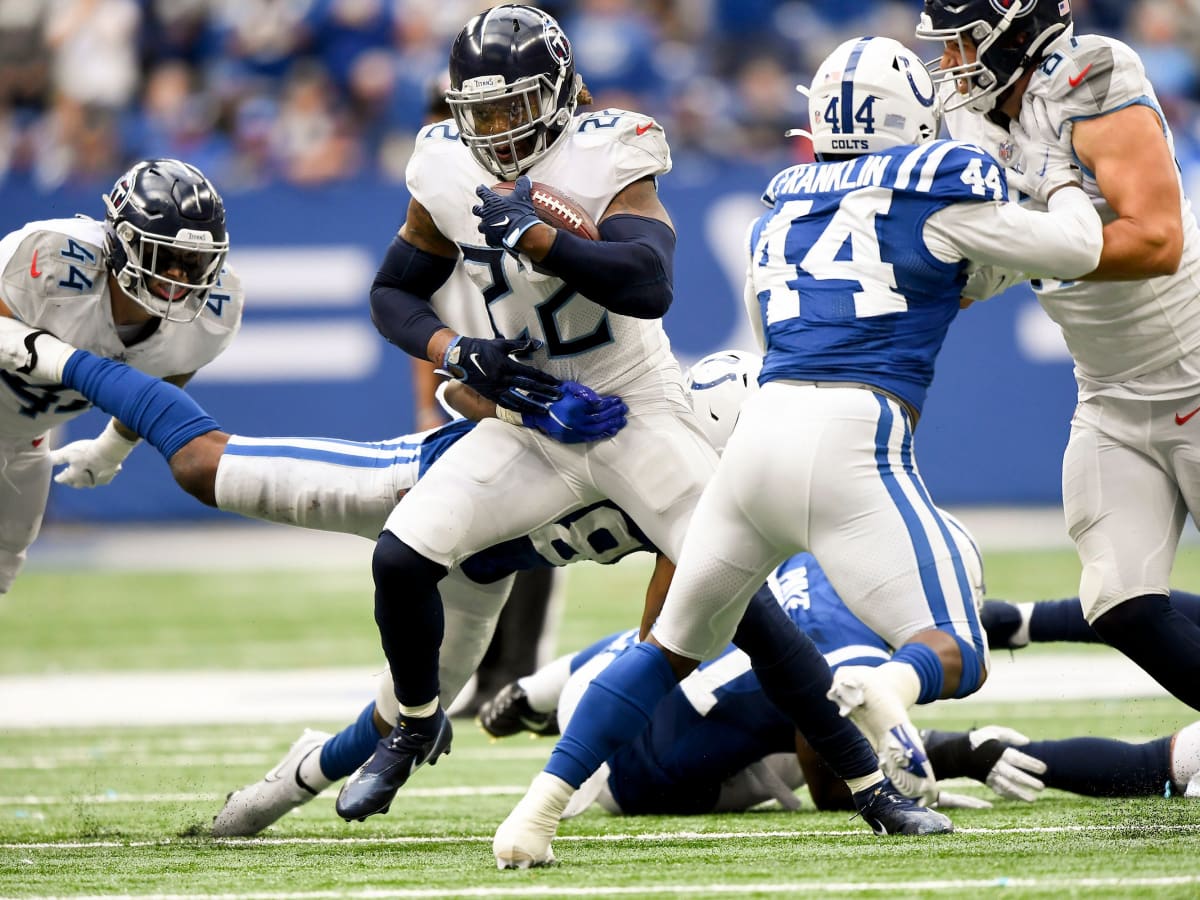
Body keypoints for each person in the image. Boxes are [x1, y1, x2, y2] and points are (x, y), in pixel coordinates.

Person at [491, 34, 1106, 868]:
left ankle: (533, 815)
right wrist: (1065, 180)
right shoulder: (939, 190)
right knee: (956, 646)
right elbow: (1078, 250)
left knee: (665, 647)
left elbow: (777, 327)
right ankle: (880, 688)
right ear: (911, 121)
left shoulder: (782, 209)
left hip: (759, 439)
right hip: (854, 441)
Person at [338, 4, 934, 841]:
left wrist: (544, 241)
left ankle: (874, 788)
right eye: (484, 113)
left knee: (735, 597)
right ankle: (411, 725)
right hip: (530, 411)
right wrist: (456, 350)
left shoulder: (609, 148)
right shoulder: (441, 161)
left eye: (515, 108)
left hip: (633, 404)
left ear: (556, 95)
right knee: (402, 558)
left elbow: (648, 282)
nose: (498, 130)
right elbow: (392, 291)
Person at [0, 330, 942, 839]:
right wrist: (490, 393)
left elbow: (757, 639)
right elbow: (470, 393)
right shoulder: (637, 438)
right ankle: (58, 361)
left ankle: (267, 797)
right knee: (209, 467)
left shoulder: (688, 507)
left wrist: (865, 784)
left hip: (484, 577)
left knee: (399, 714)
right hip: (421, 485)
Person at [915, 0, 1200, 713]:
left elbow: (1158, 238)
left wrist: (1033, 241)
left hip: (1193, 369)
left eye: (961, 45)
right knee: (1119, 603)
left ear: (1012, 31)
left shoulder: (1091, 75)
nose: (950, 66)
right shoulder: (973, 117)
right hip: (1108, 392)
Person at [0, 157, 239, 596]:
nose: (177, 276)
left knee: (5, 561)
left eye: (193, 262)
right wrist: (55, 358)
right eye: (165, 255)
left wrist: (113, 445)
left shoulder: (213, 312)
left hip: (25, 438)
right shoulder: (52, 260)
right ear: (120, 242)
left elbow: (172, 367)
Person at [411, 71, 565, 723]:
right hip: (473, 382)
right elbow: (424, 311)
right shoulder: (433, 194)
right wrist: (430, 398)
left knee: (533, 526)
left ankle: (517, 668)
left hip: (531, 373)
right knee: (476, 528)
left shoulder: (533, 184)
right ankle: (487, 667)